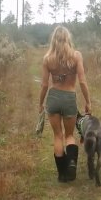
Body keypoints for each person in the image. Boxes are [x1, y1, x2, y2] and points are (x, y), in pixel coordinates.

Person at [39, 26, 91, 182]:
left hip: (53, 98)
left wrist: (40, 104)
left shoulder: (47, 58)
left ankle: (62, 174)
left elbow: (44, 85)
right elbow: (82, 81)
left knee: (57, 136)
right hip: (69, 98)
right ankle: (72, 165)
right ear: (68, 39)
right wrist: (88, 102)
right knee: (69, 135)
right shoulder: (76, 56)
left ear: (53, 40)